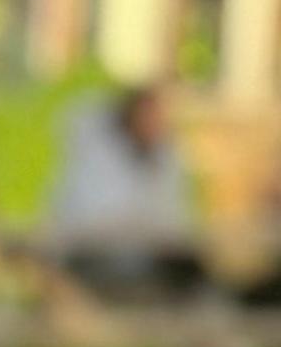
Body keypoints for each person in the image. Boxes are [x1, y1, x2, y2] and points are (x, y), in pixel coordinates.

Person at [44, 83, 212, 302]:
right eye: (148, 116)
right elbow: (93, 219)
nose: (155, 124)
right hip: (94, 258)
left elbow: (175, 218)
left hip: (150, 256)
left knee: (196, 274)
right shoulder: (94, 157)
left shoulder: (164, 157)